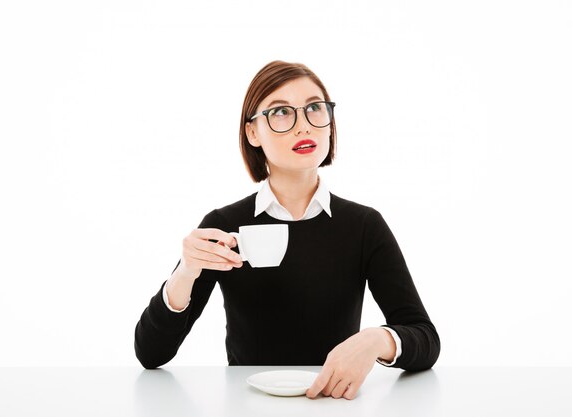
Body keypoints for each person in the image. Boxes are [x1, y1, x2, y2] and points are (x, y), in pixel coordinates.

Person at [134, 60, 441, 400]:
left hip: (333, 406)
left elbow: (425, 338)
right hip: (247, 406)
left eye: (314, 108)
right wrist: (186, 272)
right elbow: (151, 354)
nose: (302, 126)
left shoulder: (364, 225)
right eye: (280, 112)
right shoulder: (223, 226)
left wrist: (376, 339)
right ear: (252, 132)